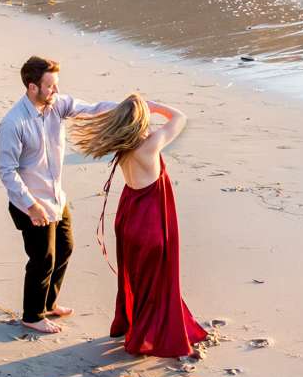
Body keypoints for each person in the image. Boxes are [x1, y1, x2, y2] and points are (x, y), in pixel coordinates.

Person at [69, 93, 206, 359]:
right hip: (151, 222)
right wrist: (155, 105)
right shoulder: (150, 146)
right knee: (157, 283)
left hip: (129, 218)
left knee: (138, 280)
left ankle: (138, 326)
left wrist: (139, 109)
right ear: (141, 121)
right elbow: (180, 117)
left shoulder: (122, 146)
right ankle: (148, 335)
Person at [0, 56, 123, 332]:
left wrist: (128, 108)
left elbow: (91, 109)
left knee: (65, 248)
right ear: (32, 87)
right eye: (50, 86)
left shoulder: (56, 106)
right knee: (42, 259)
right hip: (30, 203)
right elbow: (7, 171)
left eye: (56, 85)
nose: (55, 91)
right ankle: (32, 316)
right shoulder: (13, 124)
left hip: (56, 197)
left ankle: (49, 304)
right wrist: (31, 205)